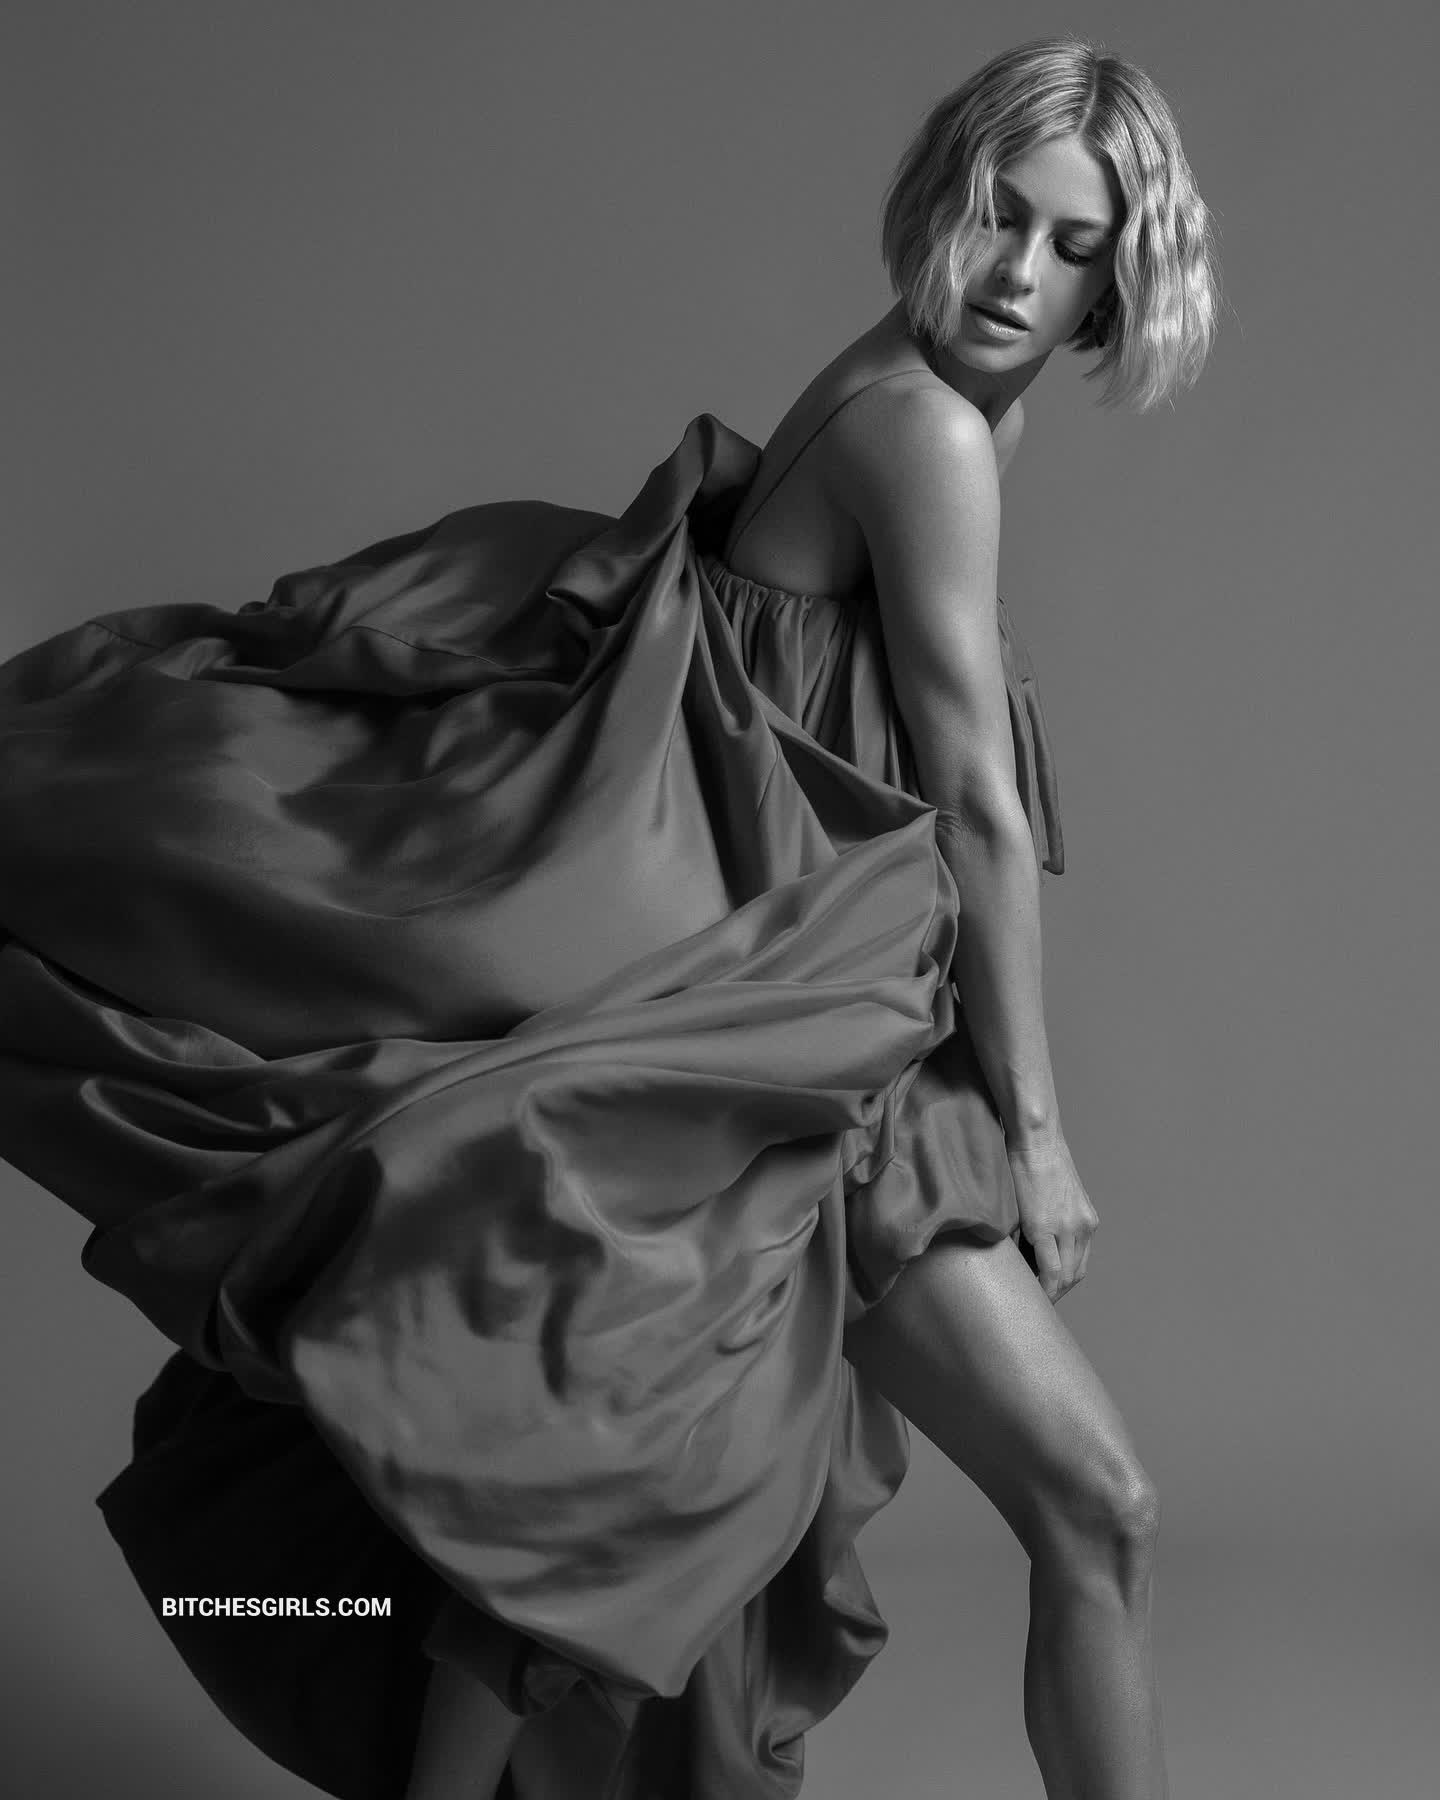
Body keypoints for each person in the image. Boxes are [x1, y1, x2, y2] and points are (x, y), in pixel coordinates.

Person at [0, 33, 1218, 1800]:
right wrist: (1036, 1135)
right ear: (938, 202)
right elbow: (968, 795)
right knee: (688, 1521)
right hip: (785, 1051)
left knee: (634, 1525)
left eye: (1072, 243)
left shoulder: (948, 409)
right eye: (995, 215)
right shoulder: (926, 428)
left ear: (1124, 272)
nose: (1015, 273)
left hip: (824, 1037)